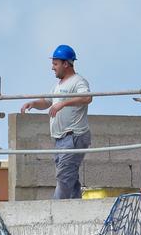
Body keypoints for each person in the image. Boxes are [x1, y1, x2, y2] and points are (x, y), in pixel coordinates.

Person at [19, 45, 93, 200]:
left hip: (73, 136)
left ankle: (54, 210)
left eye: (55, 64)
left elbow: (87, 98)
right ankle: (76, 207)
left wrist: (63, 104)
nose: (52, 68)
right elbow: (47, 101)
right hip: (61, 139)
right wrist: (33, 103)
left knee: (64, 176)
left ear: (66, 64)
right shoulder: (59, 85)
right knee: (69, 177)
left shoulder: (78, 81)